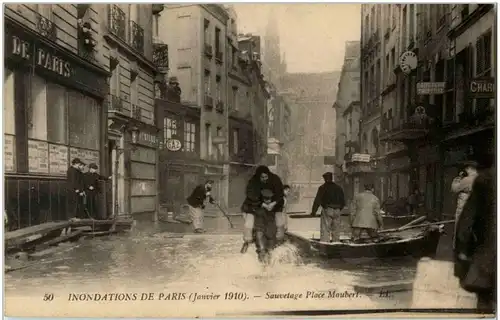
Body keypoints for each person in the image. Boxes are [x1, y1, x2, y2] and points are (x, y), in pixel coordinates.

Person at [454, 163, 495, 313]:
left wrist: (462, 250)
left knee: (485, 299)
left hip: (489, 252)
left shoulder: (484, 179)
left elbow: (467, 220)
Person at [240, 165, 284, 262]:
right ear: (258, 176)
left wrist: (273, 203)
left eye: (266, 177)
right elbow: (251, 197)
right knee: (251, 226)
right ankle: (247, 240)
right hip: (255, 206)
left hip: (273, 207)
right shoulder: (253, 182)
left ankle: (280, 238)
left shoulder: (275, 180)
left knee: (278, 224)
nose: (264, 179)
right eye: (262, 177)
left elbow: (280, 195)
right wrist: (262, 204)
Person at [310, 172, 346, 242]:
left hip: (327, 209)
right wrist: (339, 209)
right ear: (331, 178)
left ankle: (325, 244)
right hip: (337, 210)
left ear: (324, 179)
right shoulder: (338, 188)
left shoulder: (322, 188)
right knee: (336, 229)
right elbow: (343, 201)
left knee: (325, 229)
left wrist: (313, 212)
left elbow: (317, 200)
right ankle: (336, 243)